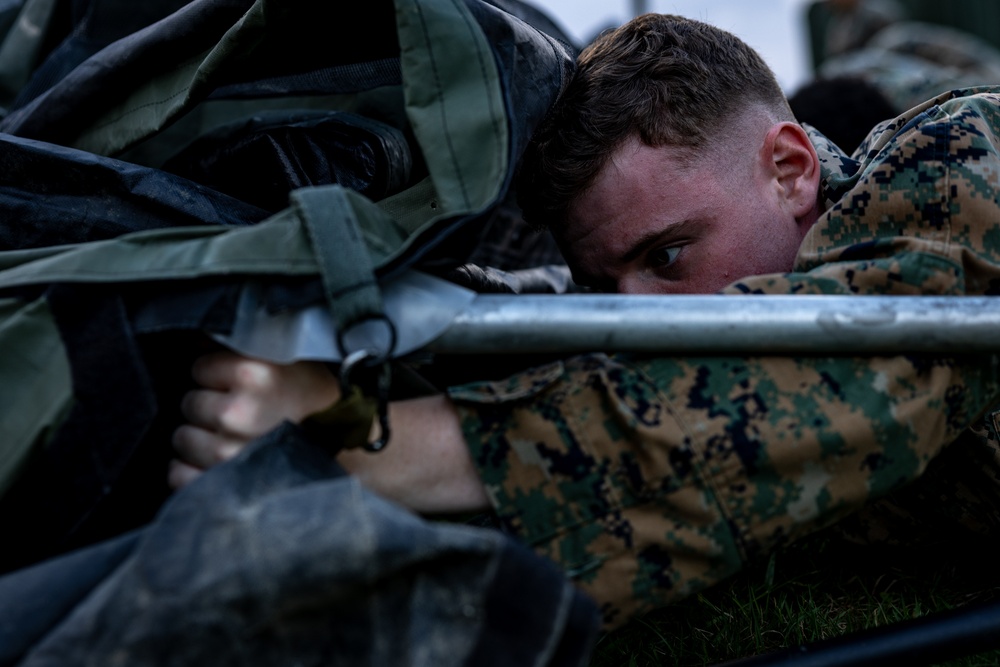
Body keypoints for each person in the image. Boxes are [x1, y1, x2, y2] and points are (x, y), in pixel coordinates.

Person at [170, 13, 1000, 630]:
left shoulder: (968, 153)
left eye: (669, 256)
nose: (632, 318)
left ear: (788, 170)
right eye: (604, 286)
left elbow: (858, 365)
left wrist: (382, 443)